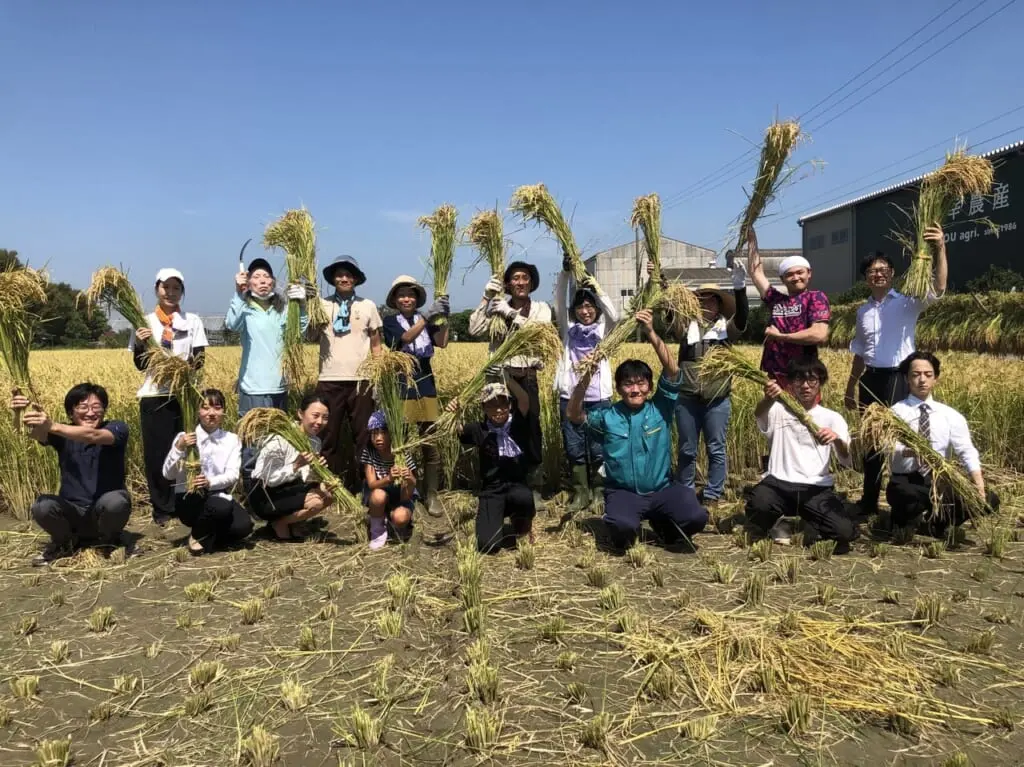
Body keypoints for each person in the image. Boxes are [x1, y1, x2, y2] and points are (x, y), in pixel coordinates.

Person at [569, 309, 708, 551]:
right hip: (624, 493)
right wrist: (586, 376)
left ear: (650, 386)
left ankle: (663, 523)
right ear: (619, 388)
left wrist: (651, 333)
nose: (635, 390)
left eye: (641, 383)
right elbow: (574, 415)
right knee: (622, 532)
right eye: (628, 384)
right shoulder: (608, 417)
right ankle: (625, 521)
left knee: (696, 517)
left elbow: (673, 371)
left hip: (661, 490)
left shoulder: (661, 408)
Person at [844, 228, 948, 517]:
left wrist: (940, 248)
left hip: (899, 379)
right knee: (871, 442)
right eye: (871, 271)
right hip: (871, 380)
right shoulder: (862, 311)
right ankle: (869, 500)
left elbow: (939, 287)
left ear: (892, 273)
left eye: (883, 269)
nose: (877, 274)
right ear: (865, 276)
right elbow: (860, 352)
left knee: (906, 439)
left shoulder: (907, 302)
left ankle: (910, 499)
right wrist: (850, 387)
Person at [744, 359, 858, 553]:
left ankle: (810, 523)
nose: (805, 385)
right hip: (778, 483)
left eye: (812, 380)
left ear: (820, 382)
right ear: (789, 384)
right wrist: (768, 398)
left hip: (815, 488)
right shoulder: (778, 410)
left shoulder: (832, 417)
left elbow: (846, 456)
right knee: (757, 506)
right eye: (799, 380)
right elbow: (759, 414)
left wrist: (836, 439)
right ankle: (778, 522)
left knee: (844, 532)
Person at [13, 383, 132, 566]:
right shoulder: (62, 434)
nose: (90, 413)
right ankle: (66, 543)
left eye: (96, 407)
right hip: (73, 512)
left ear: (104, 409)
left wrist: (52, 425)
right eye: (83, 407)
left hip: (102, 511)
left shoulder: (116, 428)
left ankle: (108, 541)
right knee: (42, 506)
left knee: (117, 501)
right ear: (70, 413)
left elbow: (92, 435)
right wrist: (20, 413)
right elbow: (32, 433)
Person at [886, 351, 998, 537]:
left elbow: (967, 451)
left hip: (939, 480)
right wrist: (912, 452)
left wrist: (978, 484)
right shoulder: (894, 414)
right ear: (907, 378)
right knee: (907, 495)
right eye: (916, 375)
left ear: (935, 378)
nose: (922, 380)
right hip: (906, 481)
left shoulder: (950, 415)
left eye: (928, 375)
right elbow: (887, 448)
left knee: (988, 500)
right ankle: (907, 517)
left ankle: (936, 523)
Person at [469, 260, 553, 506]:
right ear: (507, 283)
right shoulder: (497, 305)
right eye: (515, 278)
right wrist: (486, 298)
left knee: (529, 429)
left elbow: (539, 333)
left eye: (525, 277)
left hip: (525, 375)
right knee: (497, 430)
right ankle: (498, 483)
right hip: (498, 379)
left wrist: (510, 314)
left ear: (532, 282)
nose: (520, 282)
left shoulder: (540, 308)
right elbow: (474, 329)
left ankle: (532, 485)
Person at [129, 269, 208, 526]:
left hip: (184, 394)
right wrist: (142, 344)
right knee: (157, 453)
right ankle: (162, 508)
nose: (170, 293)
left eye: (176, 288)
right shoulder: (143, 322)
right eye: (166, 287)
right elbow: (140, 365)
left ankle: (184, 502)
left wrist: (181, 371)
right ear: (157, 289)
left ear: (182, 291)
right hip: (154, 395)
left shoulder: (192, 320)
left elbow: (199, 359)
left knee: (186, 448)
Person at [674, 261, 749, 505]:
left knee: (716, 448)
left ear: (718, 305)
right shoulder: (686, 328)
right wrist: (660, 283)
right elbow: (668, 314)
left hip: (717, 399)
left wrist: (740, 287)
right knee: (687, 449)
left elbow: (743, 318)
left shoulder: (725, 330)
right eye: (701, 300)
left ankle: (713, 493)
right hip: (686, 398)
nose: (706, 304)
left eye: (711, 300)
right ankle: (685, 491)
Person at [553, 255, 619, 513]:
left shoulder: (605, 334)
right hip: (571, 398)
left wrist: (597, 288)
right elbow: (559, 302)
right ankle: (580, 493)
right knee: (574, 446)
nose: (585, 310)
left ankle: (600, 492)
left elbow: (615, 315)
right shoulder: (567, 330)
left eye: (590, 306)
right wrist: (565, 274)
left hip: (599, 398)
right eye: (580, 306)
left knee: (599, 446)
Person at [381, 275, 450, 517]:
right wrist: (428, 317)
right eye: (401, 295)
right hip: (401, 388)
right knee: (402, 443)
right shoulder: (390, 322)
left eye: (410, 294)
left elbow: (442, 342)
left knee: (429, 442)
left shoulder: (426, 320)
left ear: (417, 298)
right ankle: (405, 491)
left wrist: (444, 319)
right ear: (395, 300)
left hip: (425, 384)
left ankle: (431, 494)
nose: (406, 299)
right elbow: (405, 338)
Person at [311, 256, 382, 488]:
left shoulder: (367, 306)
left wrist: (378, 376)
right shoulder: (321, 305)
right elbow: (311, 336)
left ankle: (364, 484)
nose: (344, 278)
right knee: (327, 435)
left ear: (356, 279)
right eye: (340, 274)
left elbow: (375, 343)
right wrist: (305, 303)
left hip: (361, 380)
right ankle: (327, 486)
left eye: (349, 275)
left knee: (363, 435)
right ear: (333, 279)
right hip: (329, 379)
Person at [450, 377, 539, 553]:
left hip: (516, 486)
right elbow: (458, 429)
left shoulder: (518, 423)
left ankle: (521, 522)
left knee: (524, 498)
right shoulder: (479, 429)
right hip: (492, 490)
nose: (498, 410)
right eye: (491, 405)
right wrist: (455, 412)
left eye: (503, 404)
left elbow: (524, 399)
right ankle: (495, 517)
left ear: (510, 405)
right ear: (483, 408)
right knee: (487, 545)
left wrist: (505, 374)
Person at [162, 388, 252, 555]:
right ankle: (197, 535)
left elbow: (232, 474)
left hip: (216, 493)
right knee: (221, 507)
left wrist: (211, 483)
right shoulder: (185, 436)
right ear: (197, 411)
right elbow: (167, 474)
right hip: (188, 497)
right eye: (205, 408)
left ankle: (206, 533)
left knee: (244, 527)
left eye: (217, 408)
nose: (211, 413)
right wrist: (179, 447)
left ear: (224, 412)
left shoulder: (232, 439)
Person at [226, 257, 310, 415]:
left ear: (273, 281)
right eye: (256, 277)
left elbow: (297, 333)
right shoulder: (244, 308)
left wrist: (302, 305)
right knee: (252, 436)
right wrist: (238, 292)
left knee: (277, 436)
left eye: (266, 276)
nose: (262, 281)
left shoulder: (283, 309)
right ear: (249, 282)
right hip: (252, 387)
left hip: (278, 385)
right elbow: (232, 324)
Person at [747, 229, 830, 388]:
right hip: (774, 375)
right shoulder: (776, 299)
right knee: (775, 413)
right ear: (782, 279)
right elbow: (756, 273)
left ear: (809, 273)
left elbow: (819, 334)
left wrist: (781, 337)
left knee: (805, 413)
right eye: (790, 274)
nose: (796, 278)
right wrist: (752, 240)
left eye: (800, 272)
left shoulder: (815, 298)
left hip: (803, 375)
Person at [250, 393, 335, 540]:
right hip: (266, 494)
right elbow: (267, 479)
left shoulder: (315, 442)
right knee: (315, 502)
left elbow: (306, 478)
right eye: (315, 415)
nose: (320, 422)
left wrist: (318, 470)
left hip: (290, 488)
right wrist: (295, 465)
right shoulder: (279, 439)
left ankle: (290, 522)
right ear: (300, 414)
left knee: (327, 495)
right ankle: (280, 524)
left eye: (325, 417)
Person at [361, 411, 416, 550]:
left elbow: (407, 494)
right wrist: (389, 478)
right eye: (374, 433)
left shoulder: (402, 453)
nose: (378, 438)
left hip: (401, 497)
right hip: (379, 495)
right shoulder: (369, 452)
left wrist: (409, 479)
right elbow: (372, 484)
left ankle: (394, 524)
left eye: (383, 433)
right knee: (378, 495)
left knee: (400, 517)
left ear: (392, 434)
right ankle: (377, 530)